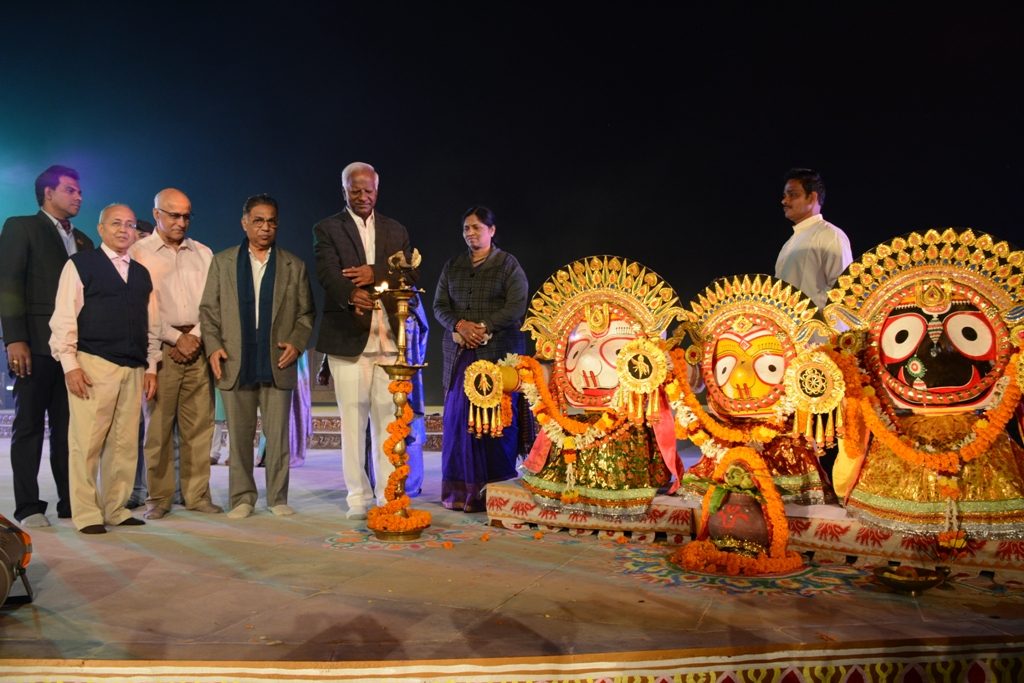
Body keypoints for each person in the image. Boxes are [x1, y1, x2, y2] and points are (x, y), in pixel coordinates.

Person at [199, 194, 314, 519]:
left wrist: (296, 342)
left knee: (277, 437)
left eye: (272, 221)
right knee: (239, 436)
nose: (266, 228)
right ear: (245, 222)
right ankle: (242, 498)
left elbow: (306, 314)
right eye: (259, 220)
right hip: (236, 361)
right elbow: (208, 310)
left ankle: (278, 498)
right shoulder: (223, 262)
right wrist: (213, 345)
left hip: (278, 362)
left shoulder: (294, 266)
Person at [313, 162, 417, 520]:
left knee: (389, 420)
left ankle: (389, 495)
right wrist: (348, 294)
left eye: (368, 189)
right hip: (347, 338)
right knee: (353, 421)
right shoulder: (327, 228)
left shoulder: (396, 229)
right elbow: (327, 271)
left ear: (377, 189)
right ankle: (358, 498)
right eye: (354, 189)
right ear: (343, 190)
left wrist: (376, 274)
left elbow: (408, 270)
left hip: (389, 341)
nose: (362, 196)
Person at [48, 204, 161, 534]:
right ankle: (86, 513)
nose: (124, 229)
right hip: (94, 363)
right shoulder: (81, 265)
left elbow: (150, 325)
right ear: (100, 229)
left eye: (129, 224)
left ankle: (115, 508)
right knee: (87, 443)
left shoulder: (140, 273)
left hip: (134, 367)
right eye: (116, 223)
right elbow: (64, 318)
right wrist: (69, 365)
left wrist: (151, 366)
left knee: (125, 444)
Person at [0, 165, 94, 528]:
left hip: (73, 350)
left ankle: (71, 500)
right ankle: (28, 507)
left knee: (69, 428)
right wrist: (15, 339)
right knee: (29, 427)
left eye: (80, 191)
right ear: (48, 193)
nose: (78, 197)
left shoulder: (83, 240)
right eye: (71, 190)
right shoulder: (21, 227)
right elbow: (8, 284)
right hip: (34, 345)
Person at [131, 188, 221, 519]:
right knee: (158, 430)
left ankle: (197, 495)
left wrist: (194, 336)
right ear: (156, 214)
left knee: (199, 428)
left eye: (186, 215)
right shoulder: (138, 253)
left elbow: (214, 302)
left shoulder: (203, 253)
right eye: (174, 215)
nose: (181, 222)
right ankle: (159, 498)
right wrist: (172, 337)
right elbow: (139, 307)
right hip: (158, 350)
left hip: (197, 346)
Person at [433, 206, 528, 512]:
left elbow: (516, 306)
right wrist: (460, 325)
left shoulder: (507, 265)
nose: (470, 233)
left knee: (497, 423)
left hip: (498, 357)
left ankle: (498, 494)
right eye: (466, 229)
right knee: (459, 420)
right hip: (461, 354)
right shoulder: (453, 266)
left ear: (492, 230)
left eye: (476, 227)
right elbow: (439, 306)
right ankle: (461, 493)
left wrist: (484, 326)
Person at [775, 168, 852, 310]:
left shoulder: (830, 235)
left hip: (820, 330)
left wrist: (805, 314)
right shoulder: (788, 245)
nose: (784, 201)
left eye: (792, 195)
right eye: (785, 195)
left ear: (812, 198)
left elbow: (844, 291)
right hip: (790, 330)